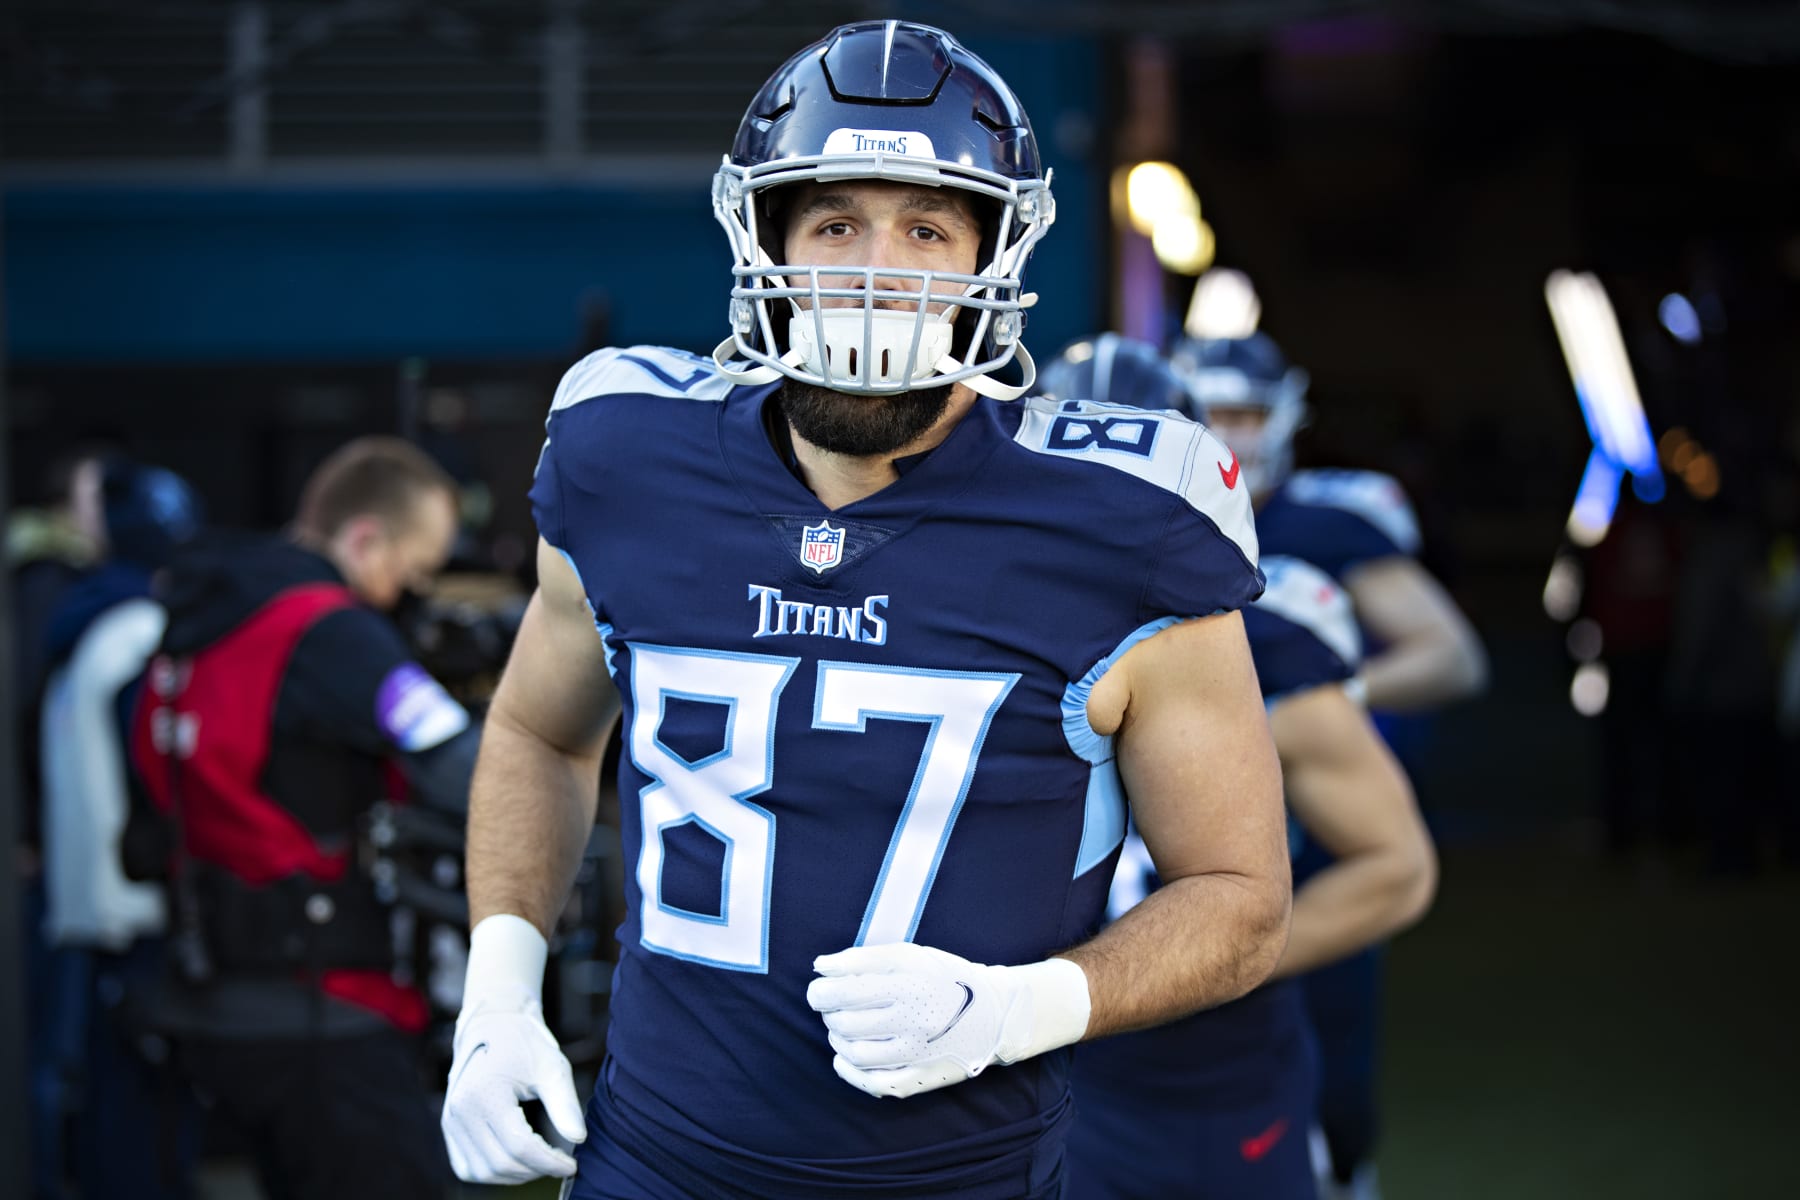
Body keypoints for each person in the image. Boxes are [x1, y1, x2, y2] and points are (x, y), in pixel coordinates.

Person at [441, 20, 1290, 1199]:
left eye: (928, 228)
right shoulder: (624, 457)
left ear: (997, 255)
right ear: (766, 236)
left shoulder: (1124, 520)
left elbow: (1241, 898)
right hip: (654, 1167)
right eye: (836, 221)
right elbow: (539, 730)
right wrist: (497, 992)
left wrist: (1021, 1006)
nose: (878, 269)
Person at [1037, 336, 1436, 1199]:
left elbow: (1396, 866)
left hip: (1211, 1075)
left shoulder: (1270, 628)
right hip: (1025, 1066)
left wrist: (1197, 952)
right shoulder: (966, 615)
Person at [1173, 329, 1485, 1199]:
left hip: (1307, 837)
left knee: (1324, 1085)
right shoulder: (1145, 513)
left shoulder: (1322, 524)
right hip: (1168, 836)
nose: (1231, 433)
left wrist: (1323, 705)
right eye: (1214, 411)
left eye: (1247, 413)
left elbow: (1452, 656)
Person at [127, 436, 474, 1200]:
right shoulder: (331, 632)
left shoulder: (196, 616)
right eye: (409, 570)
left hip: (213, 994)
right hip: (328, 1012)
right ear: (363, 537)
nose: (404, 594)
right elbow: (465, 767)